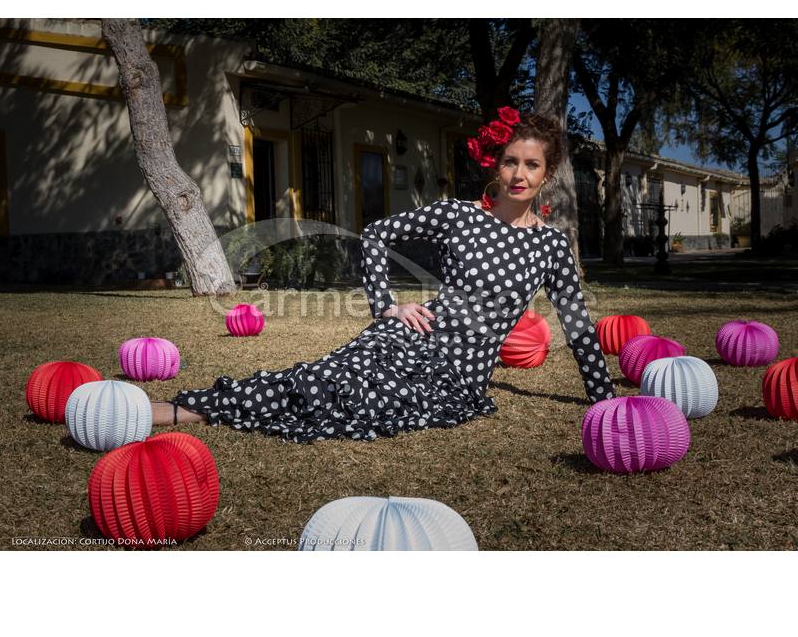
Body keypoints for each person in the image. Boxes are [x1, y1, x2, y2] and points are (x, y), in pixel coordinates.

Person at [150, 107, 615, 440]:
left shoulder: (551, 246)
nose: (518, 173)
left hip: (454, 377)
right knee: (324, 377)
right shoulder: (459, 215)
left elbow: (577, 328)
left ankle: (181, 411)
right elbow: (374, 235)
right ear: (496, 163)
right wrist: (387, 305)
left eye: (532, 164)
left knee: (355, 400)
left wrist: (606, 401)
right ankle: (179, 410)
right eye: (511, 161)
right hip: (406, 338)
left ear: (547, 173)